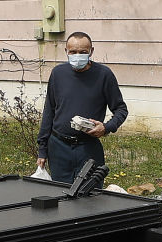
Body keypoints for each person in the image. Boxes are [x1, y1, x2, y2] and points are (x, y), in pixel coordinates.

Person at [34, 31, 128, 183]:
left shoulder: (103, 75)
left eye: (83, 52)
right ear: (66, 52)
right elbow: (49, 111)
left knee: (90, 198)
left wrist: (106, 127)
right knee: (60, 196)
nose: (78, 56)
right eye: (73, 52)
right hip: (58, 148)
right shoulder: (58, 74)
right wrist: (42, 149)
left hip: (88, 148)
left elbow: (121, 109)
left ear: (91, 51)